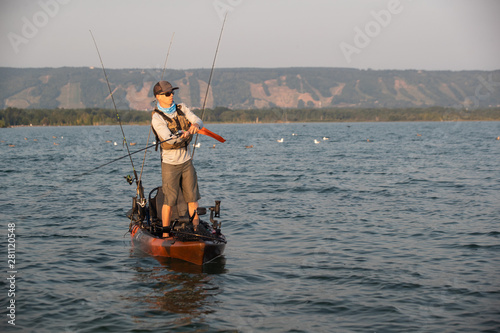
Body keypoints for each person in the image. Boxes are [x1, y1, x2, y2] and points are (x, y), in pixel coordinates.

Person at [151, 80, 203, 238]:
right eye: (167, 93)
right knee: (169, 200)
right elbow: (169, 139)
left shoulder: (182, 108)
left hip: (186, 161)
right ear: (158, 96)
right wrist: (185, 133)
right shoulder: (157, 118)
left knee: (192, 198)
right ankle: (166, 234)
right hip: (170, 164)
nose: (171, 95)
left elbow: (199, 121)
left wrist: (195, 126)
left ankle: (196, 229)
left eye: (172, 92)